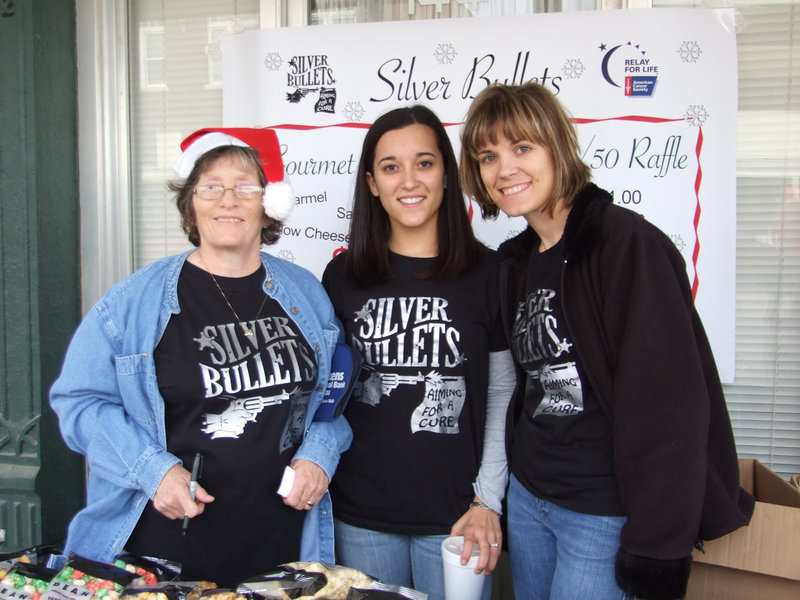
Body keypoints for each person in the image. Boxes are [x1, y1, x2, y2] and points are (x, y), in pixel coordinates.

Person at [459, 82, 755, 600]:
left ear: (557, 146)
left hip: (604, 515)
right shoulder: (515, 263)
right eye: (488, 156)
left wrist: (658, 545)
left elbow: (672, 408)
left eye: (522, 147)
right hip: (531, 501)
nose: (504, 169)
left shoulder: (627, 247)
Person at [49, 127, 352, 587]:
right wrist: (154, 471)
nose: (228, 200)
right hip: (166, 552)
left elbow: (334, 400)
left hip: (283, 547)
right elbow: (79, 405)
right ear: (191, 203)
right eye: (211, 187)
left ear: (268, 204)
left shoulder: (305, 292)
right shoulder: (133, 303)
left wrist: (319, 454)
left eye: (245, 187)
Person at [321, 105, 515, 600]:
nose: (409, 181)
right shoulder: (341, 278)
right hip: (360, 516)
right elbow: (327, 396)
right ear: (371, 183)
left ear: (447, 175)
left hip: (458, 519)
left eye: (424, 163)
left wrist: (486, 500)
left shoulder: (490, 275)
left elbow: (501, 395)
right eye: (391, 167)